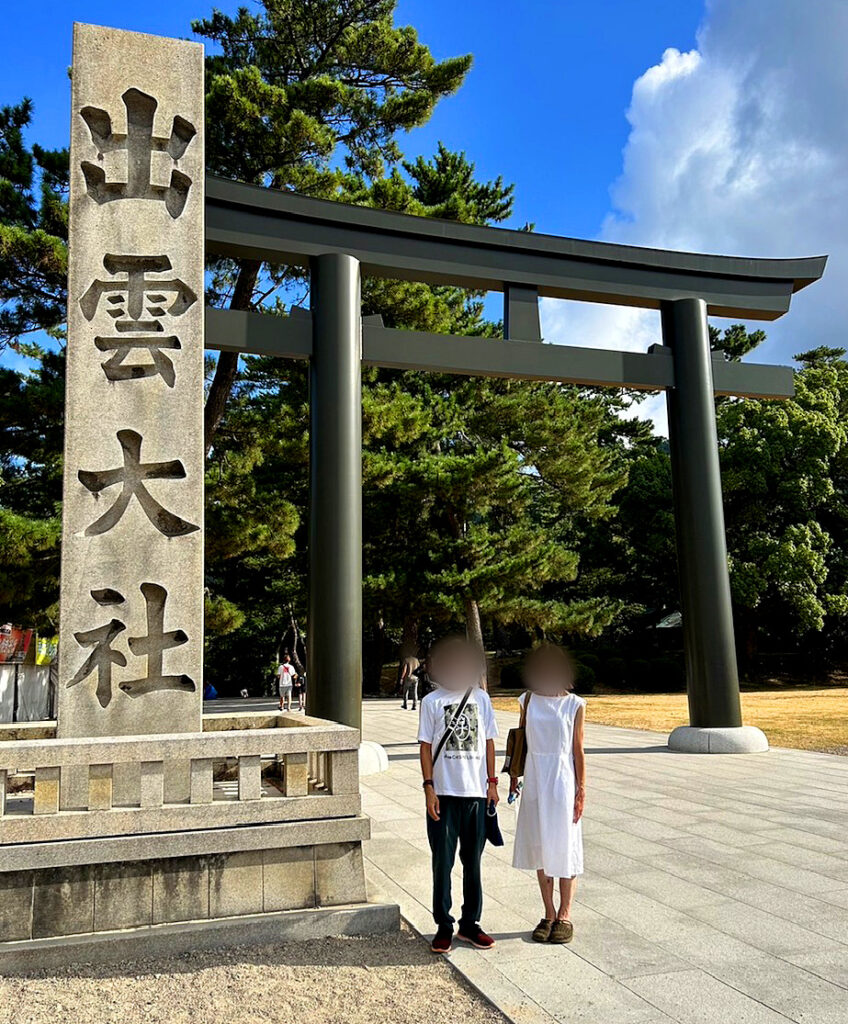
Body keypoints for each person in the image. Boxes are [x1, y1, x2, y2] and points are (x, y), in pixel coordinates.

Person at [418, 636, 499, 954]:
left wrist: (492, 784)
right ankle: (443, 925)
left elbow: (489, 742)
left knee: (473, 863)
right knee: (442, 862)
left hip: (476, 793)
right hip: (443, 793)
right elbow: (425, 747)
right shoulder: (431, 701)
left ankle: (470, 924)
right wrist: (429, 788)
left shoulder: (482, 699)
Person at [510, 645, 586, 944]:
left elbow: (578, 750)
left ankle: (565, 915)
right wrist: (514, 777)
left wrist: (581, 790)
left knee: (565, 846)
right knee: (541, 846)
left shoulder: (575, 704)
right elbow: (519, 742)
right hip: (535, 777)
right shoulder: (527, 700)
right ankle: (549, 912)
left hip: (563, 779)